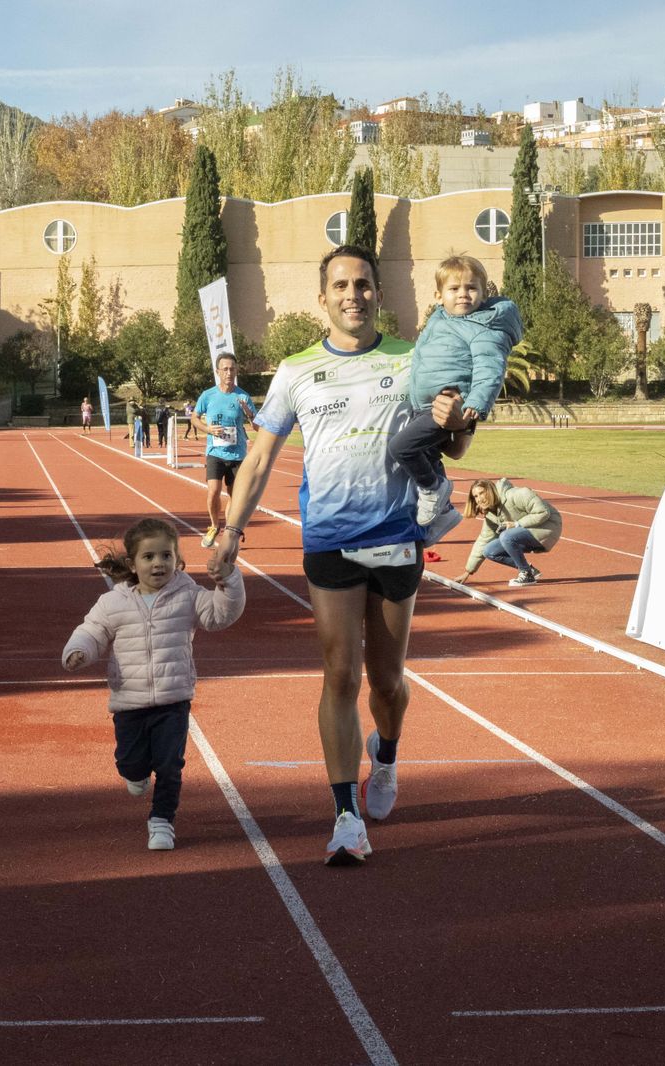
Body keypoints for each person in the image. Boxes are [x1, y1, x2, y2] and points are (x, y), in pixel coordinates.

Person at [209, 245, 469, 866]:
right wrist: (231, 531)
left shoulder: (413, 358)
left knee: (387, 682)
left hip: (398, 536)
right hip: (330, 539)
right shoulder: (297, 370)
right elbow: (259, 458)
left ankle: (387, 754)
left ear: (379, 293)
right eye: (341, 286)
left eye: (363, 284)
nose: (353, 295)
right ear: (322, 298)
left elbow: (455, 446)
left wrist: (458, 419)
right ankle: (346, 816)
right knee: (340, 676)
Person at [64, 518, 246, 850]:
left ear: (177, 560)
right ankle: (135, 774)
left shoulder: (188, 595)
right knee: (130, 763)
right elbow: (92, 630)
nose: (158, 563)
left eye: (166, 555)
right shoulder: (114, 602)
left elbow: (221, 614)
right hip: (129, 702)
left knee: (169, 765)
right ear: (133, 564)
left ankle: (162, 821)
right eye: (148, 557)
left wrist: (229, 580)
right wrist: (79, 650)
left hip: (173, 700)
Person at [388, 254, 521, 540]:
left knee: (400, 447)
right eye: (454, 288)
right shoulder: (439, 318)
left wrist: (476, 403)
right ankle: (445, 511)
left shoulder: (484, 328)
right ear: (439, 296)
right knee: (427, 454)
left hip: (445, 407)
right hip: (422, 405)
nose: (463, 294)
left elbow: (490, 369)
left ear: (483, 294)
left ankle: (433, 488)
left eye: (471, 288)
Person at [192, 352, 257, 549]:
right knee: (213, 492)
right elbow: (194, 418)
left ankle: (229, 531)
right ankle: (214, 526)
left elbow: (257, 426)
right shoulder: (208, 395)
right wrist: (207, 429)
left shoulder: (243, 396)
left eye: (232, 369)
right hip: (215, 452)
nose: (229, 373)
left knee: (235, 496)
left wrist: (248, 413)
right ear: (218, 372)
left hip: (237, 454)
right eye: (225, 369)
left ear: (236, 371)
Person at [456, 477, 562, 587]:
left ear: (490, 490)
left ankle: (526, 574)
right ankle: (529, 570)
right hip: (526, 532)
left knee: (506, 536)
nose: (479, 499)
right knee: (489, 550)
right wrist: (468, 572)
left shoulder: (515, 494)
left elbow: (543, 512)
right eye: (475, 496)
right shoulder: (491, 514)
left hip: (548, 527)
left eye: (482, 493)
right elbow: (483, 541)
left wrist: (517, 524)